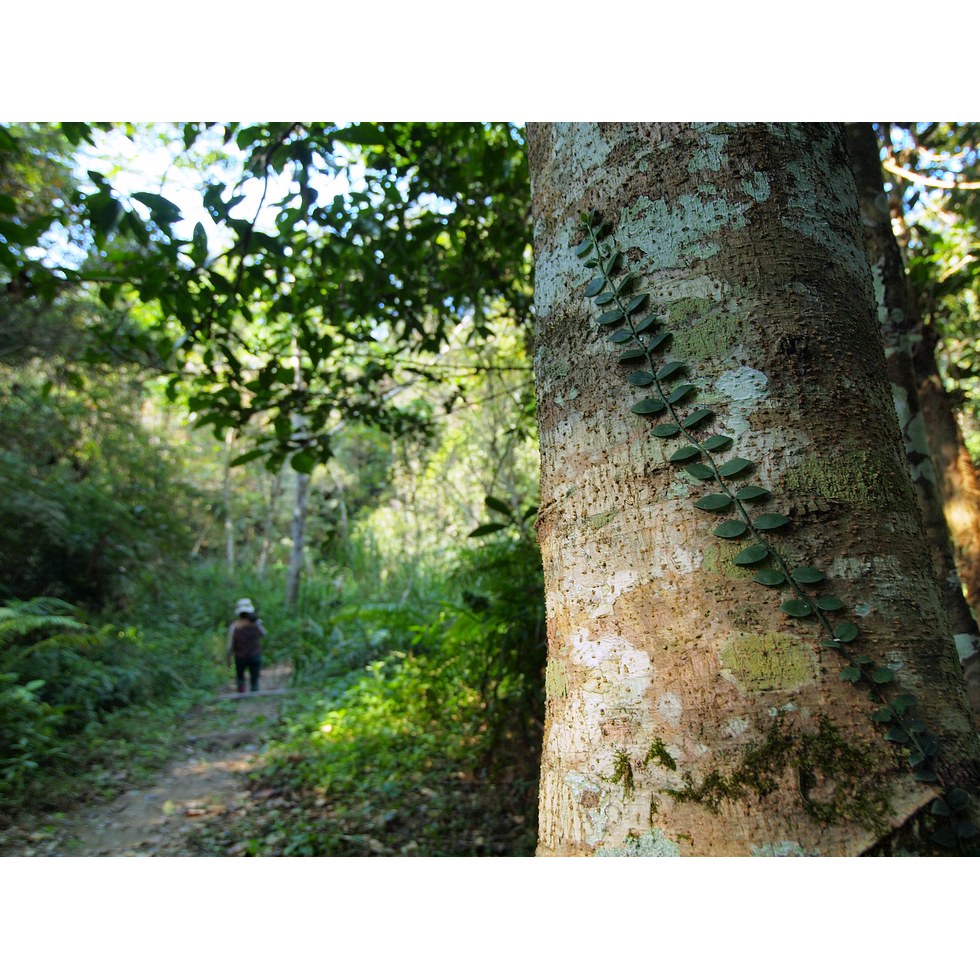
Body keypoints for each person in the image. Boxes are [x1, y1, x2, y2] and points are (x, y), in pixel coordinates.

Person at [226, 598, 266, 693]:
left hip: (240, 656)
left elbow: (230, 644)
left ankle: (241, 693)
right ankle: (254, 692)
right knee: (254, 675)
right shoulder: (256, 624)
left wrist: (228, 656)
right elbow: (263, 634)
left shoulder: (234, 626)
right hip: (254, 654)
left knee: (240, 676)